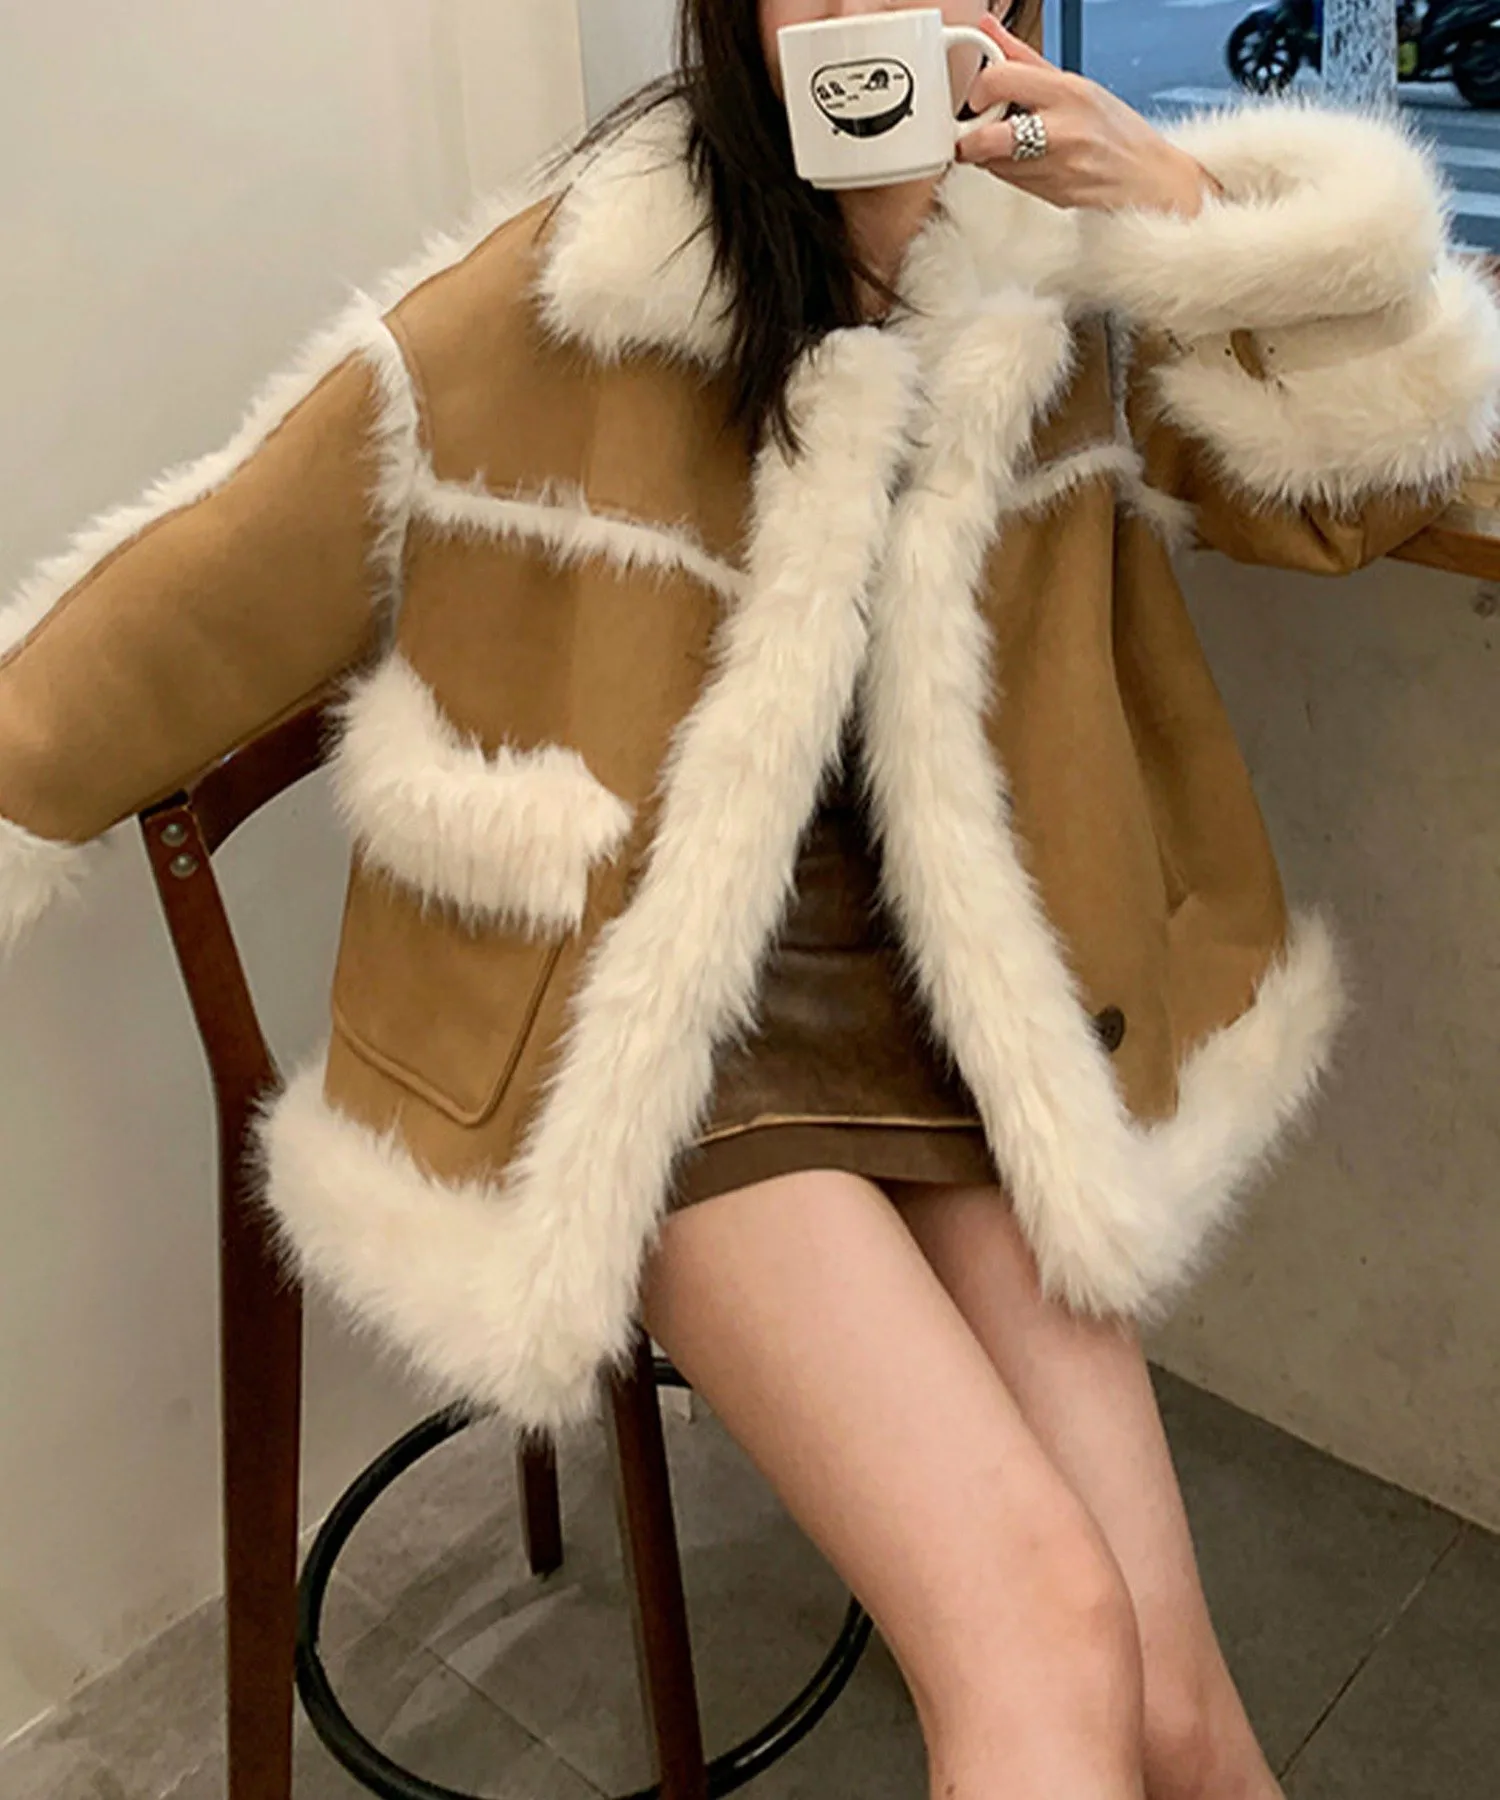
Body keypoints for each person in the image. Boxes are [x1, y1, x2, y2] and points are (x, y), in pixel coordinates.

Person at [2, 2, 1496, 1795]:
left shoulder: (1061, 277)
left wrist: (1184, 214)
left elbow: (1376, 483)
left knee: (1176, 1703)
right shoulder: (577, 288)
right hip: (669, 1040)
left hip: (976, 1008)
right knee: (1043, 1634)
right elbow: (193, 595)